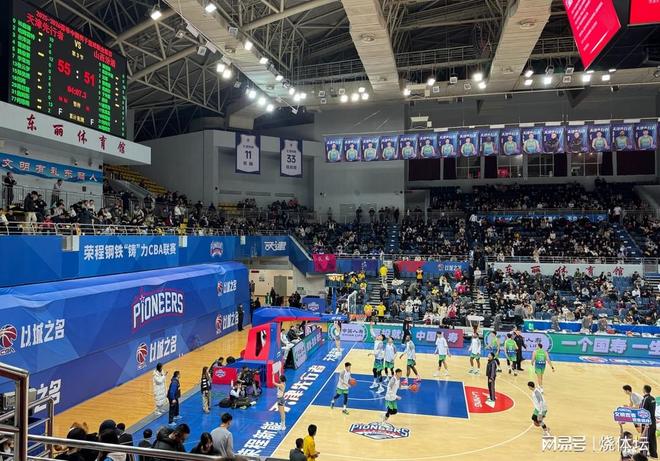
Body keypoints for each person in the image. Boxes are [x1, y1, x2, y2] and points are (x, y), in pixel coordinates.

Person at [641, 385, 657, 458]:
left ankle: (642, 455)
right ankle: (654, 455)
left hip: (647, 422)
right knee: (652, 438)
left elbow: (642, 411)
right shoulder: (653, 398)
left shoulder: (645, 399)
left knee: (644, 438)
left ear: (644, 390)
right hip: (653, 421)